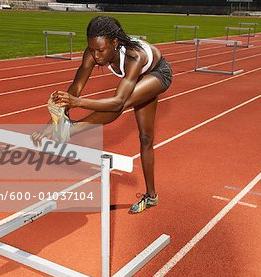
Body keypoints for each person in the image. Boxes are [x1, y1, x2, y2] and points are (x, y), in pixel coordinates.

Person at [31, 16, 172, 213]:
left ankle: (72, 130)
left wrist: (78, 104)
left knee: (126, 112)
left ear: (115, 43)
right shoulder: (92, 53)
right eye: (92, 49)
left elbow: (117, 103)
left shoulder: (134, 56)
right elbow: (76, 87)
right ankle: (152, 198)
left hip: (157, 74)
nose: (96, 56)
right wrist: (53, 122)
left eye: (100, 50)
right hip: (134, 78)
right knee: (145, 137)